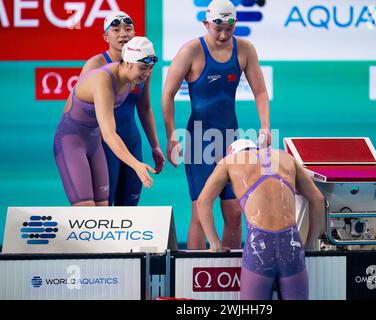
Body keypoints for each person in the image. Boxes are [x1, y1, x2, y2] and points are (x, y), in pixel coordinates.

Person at [162, 0, 271, 249]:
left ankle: (230, 275)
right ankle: (193, 279)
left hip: (231, 140)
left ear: (235, 25)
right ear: (205, 24)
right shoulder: (191, 51)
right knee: (202, 211)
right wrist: (171, 136)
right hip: (200, 140)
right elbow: (167, 95)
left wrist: (265, 126)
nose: (223, 35)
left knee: (234, 212)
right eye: (217, 28)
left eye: (229, 29)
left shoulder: (245, 49)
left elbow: (261, 93)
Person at [197, 139, 325, 300]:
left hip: (259, 247)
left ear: (232, 152)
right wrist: (311, 244)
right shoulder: (286, 158)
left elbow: (202, 202)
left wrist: (215, 244)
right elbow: (319, 200)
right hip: (291, 245)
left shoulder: (229, 162)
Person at [68, 11, 165, 206]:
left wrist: (154, 145)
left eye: (128, 29)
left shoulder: (143, 65)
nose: (123, 34)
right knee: (104, 209)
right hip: (103, 144)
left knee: (129, 209)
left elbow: (145, 108)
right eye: (116, 30)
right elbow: (78, 108)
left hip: (131, 141)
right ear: (106, 37)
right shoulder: (96, 65)